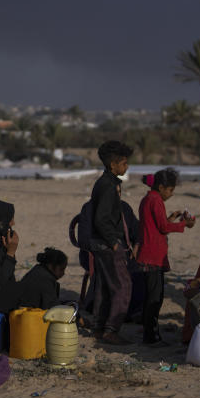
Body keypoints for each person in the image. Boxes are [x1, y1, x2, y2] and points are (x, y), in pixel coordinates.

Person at [136, 168, 195, 345]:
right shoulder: (155, 200)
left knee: (152, 297)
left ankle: (150, 333)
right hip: (152, 256)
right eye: (170, 190)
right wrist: (184, 224)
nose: (170, 194)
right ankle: (151, 337)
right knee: (154, 298)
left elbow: (157, 225)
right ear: (161, 187)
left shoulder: (149, 198)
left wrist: (171, 218)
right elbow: (163, 227)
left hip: (149, 254)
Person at [89, 140, 134, 345]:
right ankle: (111, 329)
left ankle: (99, 327)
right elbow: (101, 218)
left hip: (99, 243)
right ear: (112, 164)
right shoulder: (108, 186)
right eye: (123, 163)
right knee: (123, 286)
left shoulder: (107, 182)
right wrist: (114, 242)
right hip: (107, 244)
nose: (126, 167)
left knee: (105, 285)